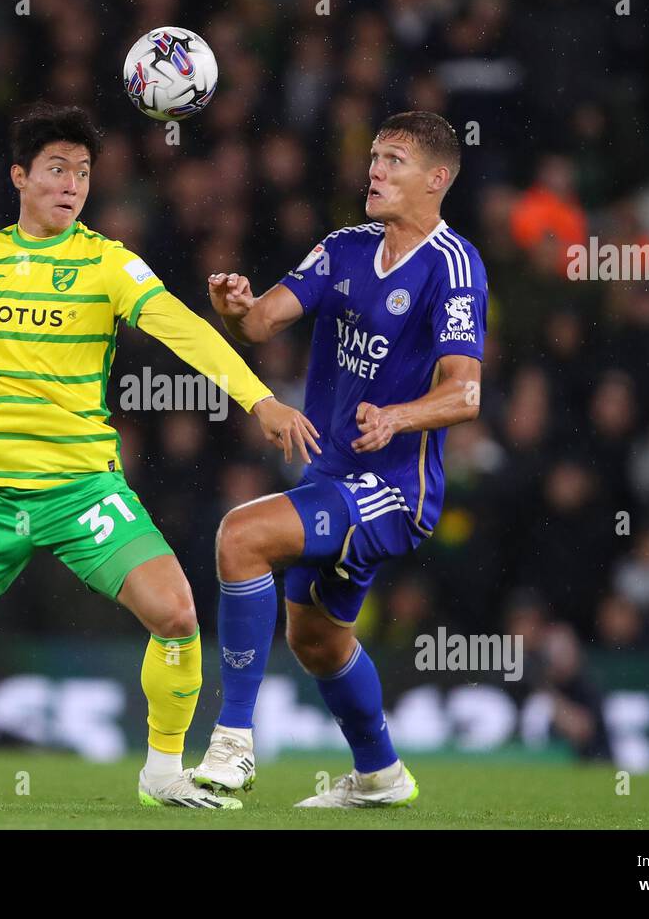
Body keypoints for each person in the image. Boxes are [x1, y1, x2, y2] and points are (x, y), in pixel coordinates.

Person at [0, 103, 319, 808]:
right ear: (20, 177)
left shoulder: (108, 263)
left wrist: (259, 399)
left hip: (82, 493)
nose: (72, 184)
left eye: (83, 172)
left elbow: (183, 331)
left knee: (178, 616)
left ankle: (163, 773)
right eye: (56, 169)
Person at [191, 111, 487, 807]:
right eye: (375, 156)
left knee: (241, 536)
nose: (375, 170)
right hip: (331, 477)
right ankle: (381, 776)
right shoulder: (344, 248)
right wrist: (232, 309)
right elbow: (263, 323)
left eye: (394, 161)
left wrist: (397, 417)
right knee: (317, 639)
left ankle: (232, 744)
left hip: (396, 488)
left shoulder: (453, 266)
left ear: (436, 179)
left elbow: (465, 392)